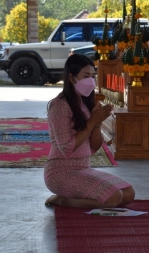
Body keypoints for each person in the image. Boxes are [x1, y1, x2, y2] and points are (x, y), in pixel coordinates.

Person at [44, 54, 135, 208]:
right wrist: (92, 121)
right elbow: (66, 148)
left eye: (92, 76)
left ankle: (75, 198)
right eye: (86, 76)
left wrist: (97, 124)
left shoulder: (84, 103)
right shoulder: (59, 106)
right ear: (71, 77)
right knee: (114, 198)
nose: (91, 81)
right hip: (61, 173)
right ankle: (62, 200)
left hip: (83, 169)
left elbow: (94, 147)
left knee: (128, 194)